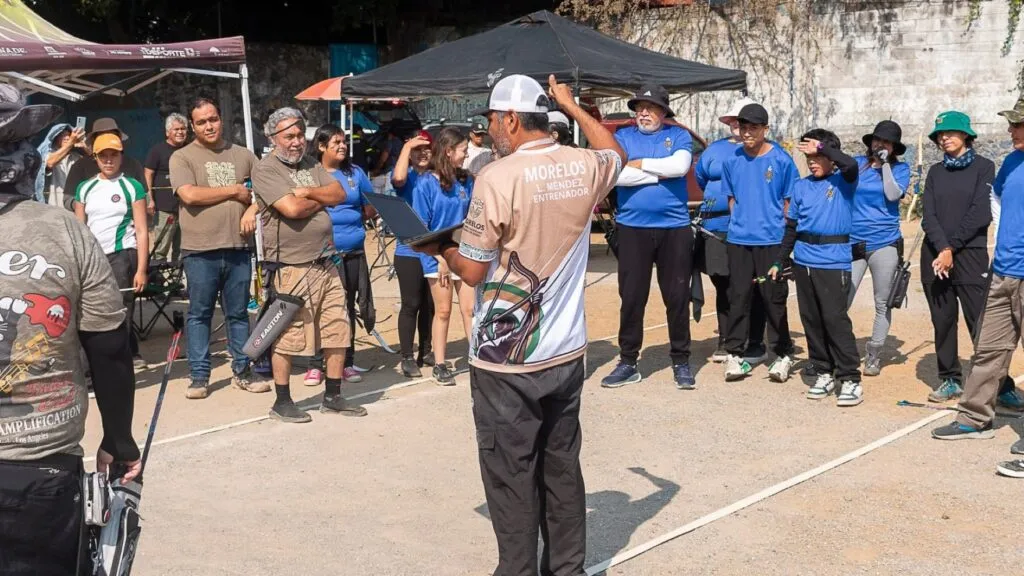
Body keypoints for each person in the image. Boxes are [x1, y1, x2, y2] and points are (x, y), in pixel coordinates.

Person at [414, 73, 624, 576]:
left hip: (506, 358)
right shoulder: (582, 164)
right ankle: (567, 568)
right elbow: (615, 151)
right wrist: (573, 107)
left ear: (510, 119)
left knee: (511, 475)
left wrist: (440, 247)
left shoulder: (497, 177)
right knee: (561, 467)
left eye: (491, 120)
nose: (489, 131)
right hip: (566, 351)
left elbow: (472, 270)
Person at [0, 84, 140, 575]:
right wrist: (119, 439)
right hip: (41, 466)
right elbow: (109, 348)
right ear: (28, 160)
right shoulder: (65, 231)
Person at [252, 107, 368, 422]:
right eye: (289, 136)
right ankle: (282, 401)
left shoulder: (311, 164)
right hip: (292, 266)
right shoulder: (266, 170)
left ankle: (333, 396)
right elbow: (291, 208)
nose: (296, 142)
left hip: (326, 261)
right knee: (288, 335)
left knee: (337, 328)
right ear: (273, 138)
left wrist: (309, 193)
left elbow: (340, 192)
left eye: (300, 135)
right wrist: (319, 198)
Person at [169, 97, 270, 399]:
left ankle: (243, 370)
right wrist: (235, 190)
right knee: (199, 314)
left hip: (238, 248)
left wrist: (252, 209)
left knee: (238, 314)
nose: (209, 126)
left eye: (213, 119)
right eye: (201, 122)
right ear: (192, 126)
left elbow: (268, 190)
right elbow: (190, 195)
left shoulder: (243, 155)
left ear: (221, 119)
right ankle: (199, 376)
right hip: (200, 251)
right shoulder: (182, 157)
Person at [600, 84, 697, 390]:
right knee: (631, 297)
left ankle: (681, 359)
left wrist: (639, 164)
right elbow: (616, 175)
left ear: (663, 112)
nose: (643, 113)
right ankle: (628, 361)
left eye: (650, 108)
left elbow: (679, 167)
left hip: (674, 227)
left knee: (677, 297)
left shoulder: (678, 135)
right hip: (632, 228)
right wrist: (658, 173)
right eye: (639, 108)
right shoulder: (622, 137)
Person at [771, 129, 863, 405]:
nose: (812, 162)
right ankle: (824, 371)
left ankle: (850, 378)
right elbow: (791, 227)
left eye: (817, 157)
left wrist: (823, 147)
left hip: (833, 262)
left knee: (835, 320)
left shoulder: (843, 181)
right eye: (808, 158)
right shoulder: (801, 186)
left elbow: (850, 164)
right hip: (803, 261)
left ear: (830, 157)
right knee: (811, 319)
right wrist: (780, 260)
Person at [917, 111, 997, 403]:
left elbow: (981, 212)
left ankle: (1000, 384)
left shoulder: (984, 167)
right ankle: (950, 378)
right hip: (935, 256)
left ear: (966, 135)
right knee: (943, 320)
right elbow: (928, 214)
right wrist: (943, 249)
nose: (944, 138)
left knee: (981, 321)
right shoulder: (935, 172)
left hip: (970, 254)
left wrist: (951, 247)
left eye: (950, 132)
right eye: (940, 134)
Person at [720, 103, 799, 382]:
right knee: (738, 297)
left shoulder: (782, 160)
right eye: (743, 127)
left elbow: (790, 203)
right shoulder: (731, 160)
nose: (747, 132)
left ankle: (782, 354)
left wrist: (786, 242)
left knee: (773, 298)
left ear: (766, 129)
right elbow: (731, 198)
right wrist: (740, 224)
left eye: (754, 127)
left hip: (772, 240)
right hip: (739, 241)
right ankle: (735, 354)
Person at [693, 97, 767, 364]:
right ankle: (726, 338)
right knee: (722, 283)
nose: (739, 125)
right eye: (735, 120)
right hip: (715, 227)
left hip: (751, 229)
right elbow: (701, 178)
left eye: (745, 121)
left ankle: (755, 340)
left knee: (752, 285)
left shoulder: (766, 150)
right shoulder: (714, 149)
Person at [302, 124, 376, 388]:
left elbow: (370, 205)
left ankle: (346, 362)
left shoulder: (355, 173)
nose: (343, 146)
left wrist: (354, 221)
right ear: (321, 146)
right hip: (321, 254)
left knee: (347, 307)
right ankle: (315, 364)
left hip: (353, 252)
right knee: (319, 308)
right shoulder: (310, 173)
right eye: (336, 142)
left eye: (344, 141)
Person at [74, 132, 150, 369]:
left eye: (113, 155)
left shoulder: (132, 186)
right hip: (93, 259)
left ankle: (119, 365)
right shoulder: (85, 188)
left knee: (120, 313)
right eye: (103, 156)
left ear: (121, 156)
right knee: (90, 311)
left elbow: (142, 231)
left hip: (122, 254)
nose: (108, 160)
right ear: (95, 158)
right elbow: (80, 230)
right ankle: (92, 368)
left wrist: (141, 270)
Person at [846, 121, 911, 376]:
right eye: (877, 140)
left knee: (883, 301)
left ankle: (874, 352)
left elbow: (893, 195)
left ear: (893, 147)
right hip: (853, 241)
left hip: (884, 243)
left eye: (886, 142)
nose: (879, 144)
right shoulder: (857, 164)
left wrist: (884, 165)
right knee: (842, 299)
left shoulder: (900, 169)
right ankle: (839, 348)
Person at [411, 127, 475, 385]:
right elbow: (420, 229)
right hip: (436, 257)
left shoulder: (466, 180)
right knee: (444, 310)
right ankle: (439, 364)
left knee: (470, 309)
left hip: (464, 254)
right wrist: (440, 259)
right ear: (449, 151)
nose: (466, 154)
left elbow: (472, 217)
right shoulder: (426, 183)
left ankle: (478, 359)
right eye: (463, 150)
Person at [390, 130, 436, 377]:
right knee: (411, 303)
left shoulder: (438, 177)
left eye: (427, 148)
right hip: (408, 250)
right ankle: (407, 356)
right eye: (418, 150)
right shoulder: (406, 176)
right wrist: (407, 147)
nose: (423, 153)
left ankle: (426, 350)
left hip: (434, 249)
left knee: (430, 304)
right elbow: (397, 179)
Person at [63, 118, 147, 202]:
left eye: (112, 136)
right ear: (93, 141)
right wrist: (88, 205)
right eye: (102, 137)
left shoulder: (133, 164)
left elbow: (145, 196)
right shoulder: (80, 166)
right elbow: (68, 199)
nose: (108, 161)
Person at [145, 112, 188, 262]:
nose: (180, 132)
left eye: (183, 129)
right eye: (176, 129)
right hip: (165, 209)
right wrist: (149, 199)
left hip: (186, 208)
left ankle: (177, 276)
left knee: (182, 249)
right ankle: (157, 275)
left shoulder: (189, 150)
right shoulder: (157, 151)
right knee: (160, 248)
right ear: (168, 132)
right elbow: (148, 174)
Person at [35, 122, 86, 209]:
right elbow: (50, 163)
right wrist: (71, 142)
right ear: (55, 137)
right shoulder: (47, 154)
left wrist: (85, 146)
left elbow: (95, 162)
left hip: (72, 205)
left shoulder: (75, 157)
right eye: (63, 135)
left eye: (69, 135)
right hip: (52, 205)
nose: (67, 138)